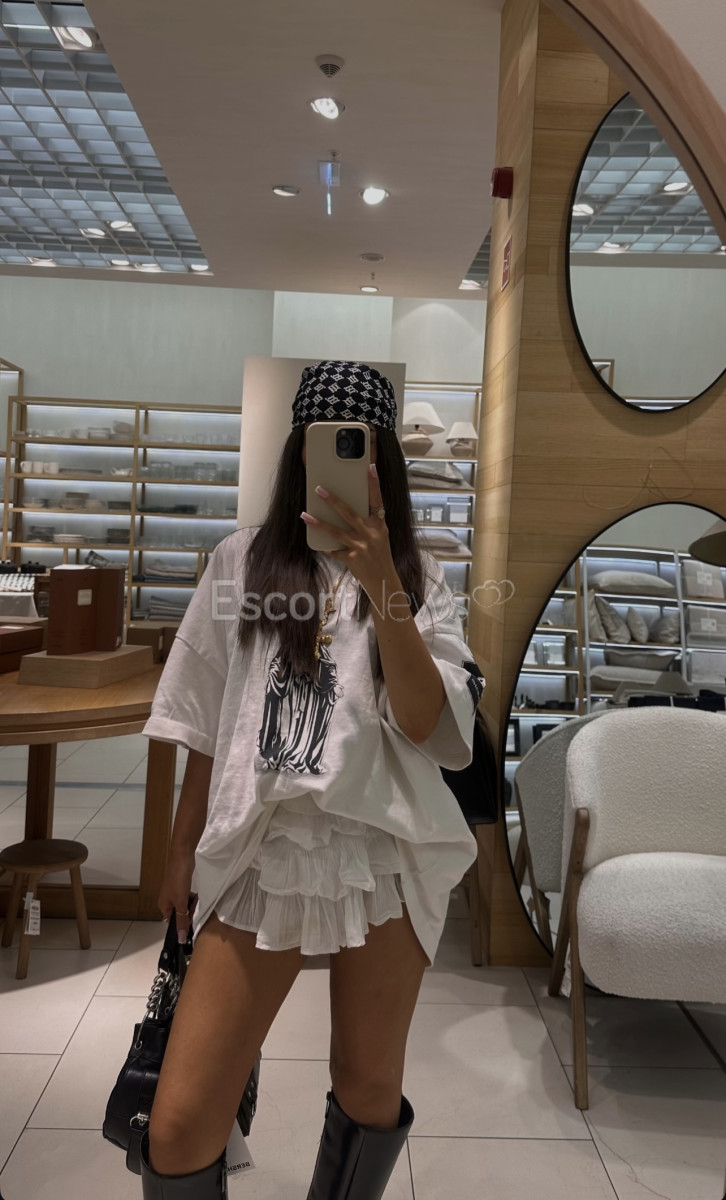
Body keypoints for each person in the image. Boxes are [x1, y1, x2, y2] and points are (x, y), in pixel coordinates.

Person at [139, 360, 483, 1199]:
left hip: (383, 848)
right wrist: (180, 851)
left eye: (358, 447)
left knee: (368, 1087)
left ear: (383, 462)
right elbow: (204, 722)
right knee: (179, 1127)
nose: (338, 464)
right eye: (325, 443)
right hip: (262, 845)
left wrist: (383, 581)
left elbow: (426, 723)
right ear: (299, 451)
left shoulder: (420, 576)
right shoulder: (240, 561)